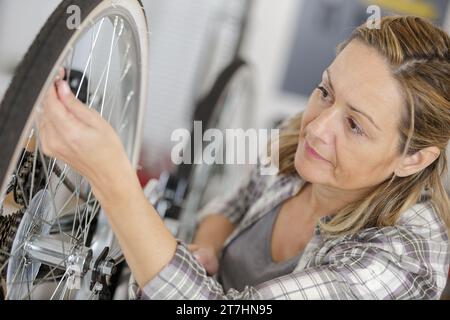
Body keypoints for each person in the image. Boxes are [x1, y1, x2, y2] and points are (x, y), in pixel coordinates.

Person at [40, 16, 450, 299]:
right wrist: (207, 248)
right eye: (325, 91)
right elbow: (230, 205)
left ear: (413, 159)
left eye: (355, 126)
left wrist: (114, 181)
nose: (317, 127)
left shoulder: (400, 259)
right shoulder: (302, 142)